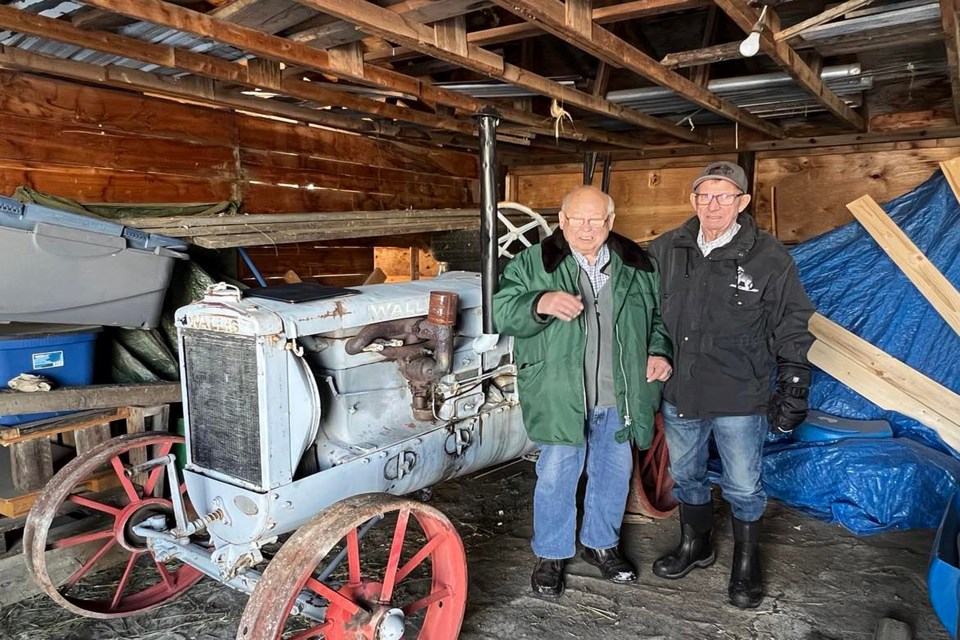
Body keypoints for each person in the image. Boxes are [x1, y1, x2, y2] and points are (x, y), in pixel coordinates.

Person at [648, 161, 815, 609]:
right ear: (692, 201)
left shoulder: (769, 257)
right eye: (704, 196)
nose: (713, 205)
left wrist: (795, 382)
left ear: (742, 203)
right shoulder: (666, 249)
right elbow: (643, 314)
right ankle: (695, 545)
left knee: (743, 484)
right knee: (686, 475)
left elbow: (792, 324)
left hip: (741, 392)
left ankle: (746, 560)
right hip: (681, 390)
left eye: (724, 196)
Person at [493, 185, 673, 598]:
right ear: (562, 220)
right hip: (560, 391)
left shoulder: (638, 264)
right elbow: (501, 310)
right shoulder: (534, 262)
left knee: (613, 473)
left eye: (596, 220)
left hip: (621, 390)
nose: (586, 228)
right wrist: (540, 301)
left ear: (610, 222)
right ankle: (552, 553)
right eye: (577, 219)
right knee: (556, 474)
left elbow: (659, 320)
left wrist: (659, 351)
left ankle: (601, 545)